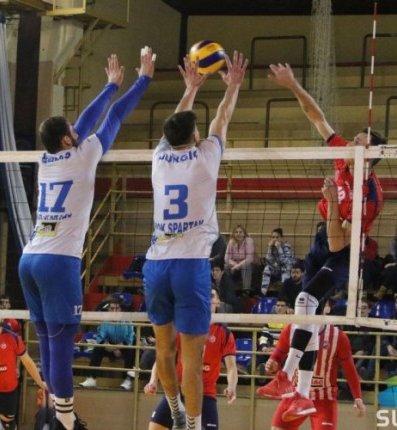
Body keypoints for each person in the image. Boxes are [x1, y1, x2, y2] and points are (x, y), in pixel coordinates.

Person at [17, 48, 155, 430]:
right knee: (62, 343)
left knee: (48, 341)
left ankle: (55, 414)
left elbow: (81, 124)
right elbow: (113, 118)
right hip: (57, 262)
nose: (79, 132)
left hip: (30, 258)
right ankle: (65, 420)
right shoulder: (84, 154)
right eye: (73, 132)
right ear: (67, 140)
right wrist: (141, 81)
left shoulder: (47, 158)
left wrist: (110, 85)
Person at [259, 62, 385, 420]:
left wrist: (331, 204)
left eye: (359, 142)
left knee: (305, 300)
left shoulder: (369, 196)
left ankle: (287, 376)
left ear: (371, 155)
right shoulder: (345, 158)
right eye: (354, 140)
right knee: (307, 314)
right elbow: (317, 117)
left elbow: (337, 245)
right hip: (323, 237)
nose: (352, 143)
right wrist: (292, 84)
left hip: (345, 251)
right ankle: (301, 395)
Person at [142, 51, 248, 430]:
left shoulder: (158, 158)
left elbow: (175, 127)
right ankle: (192, 423)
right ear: (195, 137)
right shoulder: (206, 157)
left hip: (156, 264)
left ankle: (173, 410)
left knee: (164, 349)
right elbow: (222, 118)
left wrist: (189, 89)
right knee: (192, 355)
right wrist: (232, 86)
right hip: (190, 267)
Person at [144, 287, 238, 430]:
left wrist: (231, 386)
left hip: (205, 394)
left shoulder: (224, 333)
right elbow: (163, 357)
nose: (207, 299)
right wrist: (153, 381)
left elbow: (231, 368)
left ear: (218, 302)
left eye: (211, 296)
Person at [263, 324, 365, 428]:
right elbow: (277, 356)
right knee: (277, 428)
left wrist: (358, 397)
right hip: (295, 394)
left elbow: (350, 370)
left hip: (324, 397)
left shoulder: (338, 336)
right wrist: (272, 363)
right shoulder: (290, 329)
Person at [78, 298, 136, 390]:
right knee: (98, 349)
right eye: (112, 308)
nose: (114, 311)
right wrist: (111, 348)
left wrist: (117, 348)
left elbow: (129, 339)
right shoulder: (105, 322)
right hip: (110, 346)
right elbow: (100, 338)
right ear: (109, 310)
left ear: (120, 310)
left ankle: (128, 380)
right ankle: (91, 378)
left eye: (117, 308)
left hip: (124, 347)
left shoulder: (127, 321)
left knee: (131, 350)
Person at [261, 228, 295, 296]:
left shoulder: (286, 246)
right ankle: (263, 291)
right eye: (273, 237)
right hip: (276, 269)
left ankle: (285, 291)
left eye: (277, 237)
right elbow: (268, 261)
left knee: (285, 268)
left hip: (286, 269)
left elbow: (284, 262)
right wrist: (269, 248)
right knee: (267, 268)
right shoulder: (271, 246)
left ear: (281, 238)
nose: (275, 239)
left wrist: (279, 248)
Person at [224, 225, 257, 294]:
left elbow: (250, 259)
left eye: (240, 232)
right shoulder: (231, 242)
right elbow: (226, 258)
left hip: (249, 267)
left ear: (244, 233)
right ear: (233, 234)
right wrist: (235, 265)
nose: (238, 234)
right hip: (235, 266)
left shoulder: (249, 241)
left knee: (246, 265)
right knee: (226, 266)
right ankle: (228, 289)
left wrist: (237, 266)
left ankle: (246, 290)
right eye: (236, 232)